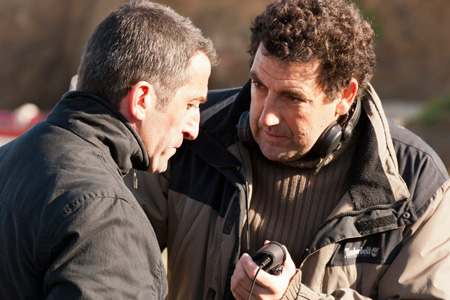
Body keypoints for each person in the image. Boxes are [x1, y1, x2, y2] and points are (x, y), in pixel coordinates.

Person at [125, 0, 450, 299]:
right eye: (259, 86)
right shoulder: (188, 135)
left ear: (345, 96)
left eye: (292, 97)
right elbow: (116, 260)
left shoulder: (416, 184)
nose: (266, 115)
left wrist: (295, 298)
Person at [0, 0, 217, 299]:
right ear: (142, 99)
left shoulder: (10, 157)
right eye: (191, 105)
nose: (193, 128)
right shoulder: (106, 219)